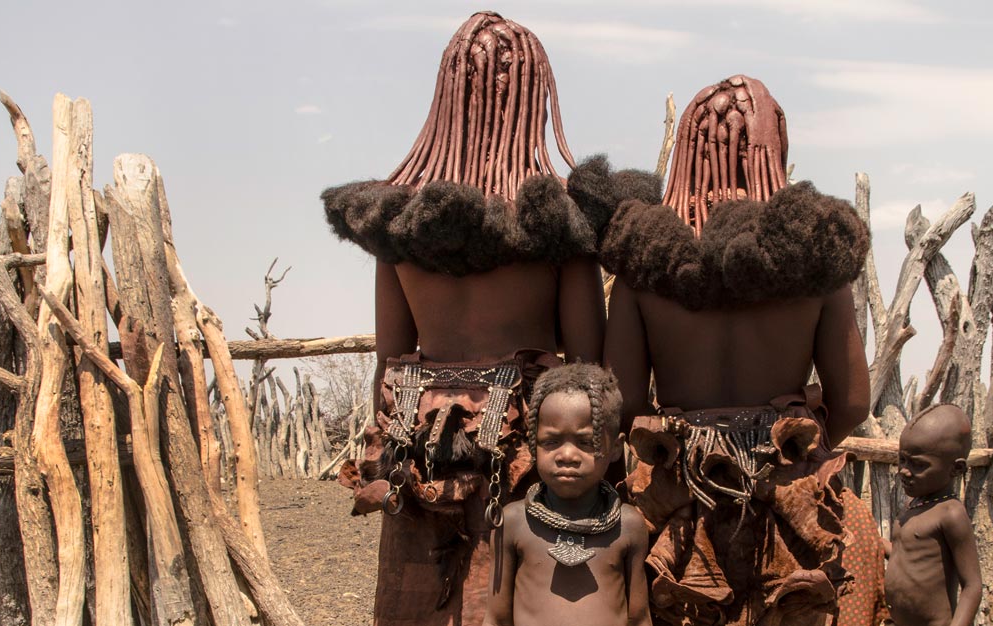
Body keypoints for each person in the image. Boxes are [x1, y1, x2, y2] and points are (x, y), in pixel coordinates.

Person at [324, 12, 654, 626]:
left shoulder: (399, 224)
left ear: (446, 93)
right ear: (534, 97)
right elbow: (588, 374)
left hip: (420, 446)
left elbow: (387, 367)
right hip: (531, 445)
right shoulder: (560, 221)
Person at [601, 74, 885, 625]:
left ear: (685, 151)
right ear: (774, 150)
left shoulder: (646, 264)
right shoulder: (814, 262)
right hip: (788, 487)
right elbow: (851, 403)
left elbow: (625, 401)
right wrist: (786, 441)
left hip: (680, 495)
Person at [484, 364, 650, 626]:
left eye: (586, 443)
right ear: (533, 444)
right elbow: (496, 618)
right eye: (551, 441)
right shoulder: (513, 522)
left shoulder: (628, 526)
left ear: (617, 448)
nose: (567, 456)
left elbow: (639, 618)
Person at [884, 405, 981, 626]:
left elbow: (972, 585)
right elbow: (909, 556)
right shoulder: (914, 507)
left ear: (956, 469)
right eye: (902, 459)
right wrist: (875, 542)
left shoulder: (950, 513)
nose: (904, 471)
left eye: (918, 465)